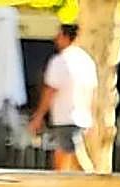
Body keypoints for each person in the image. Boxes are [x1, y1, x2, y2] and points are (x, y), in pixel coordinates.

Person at [28, 24, 97, 171]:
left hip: (66, 117)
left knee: (71, 159)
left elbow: (50, 90)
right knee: (68, 156)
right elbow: (92, 91)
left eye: (59, 36)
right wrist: (91, 115)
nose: (56, 39)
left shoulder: (61, 61)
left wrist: (39, 116)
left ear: (66, 37)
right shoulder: (87, 61)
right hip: (83, 117)